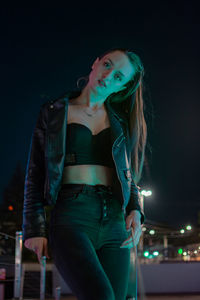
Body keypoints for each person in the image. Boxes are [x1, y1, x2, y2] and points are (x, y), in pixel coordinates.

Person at [22, 47, 147, 300]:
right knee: (101, 296)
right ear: (96, 63)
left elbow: (127, 175)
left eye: (119, 77)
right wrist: (34, 228)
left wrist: (135, 209)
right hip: (72, 217)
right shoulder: (55, 111)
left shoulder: (120, 123)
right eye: (108, 65)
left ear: (121, 89)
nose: (109, 76)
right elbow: (35, 171)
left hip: (114, 221)